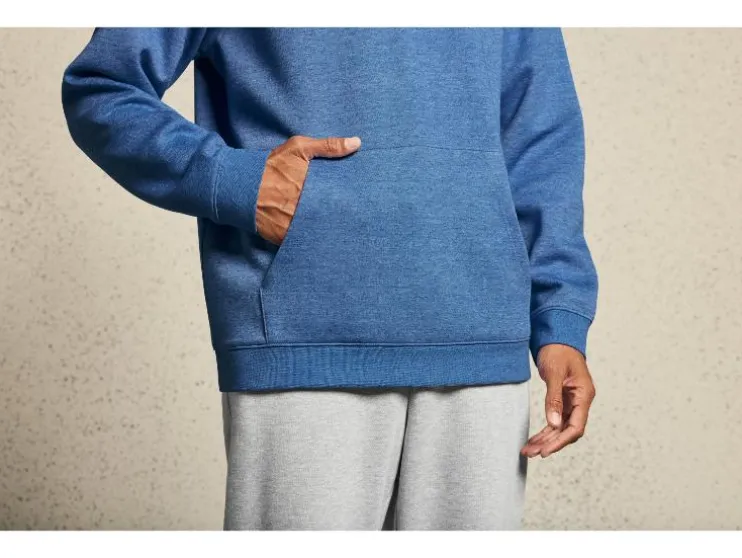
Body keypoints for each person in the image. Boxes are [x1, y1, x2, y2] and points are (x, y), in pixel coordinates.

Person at [61, 27, 598, 530]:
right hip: (306, 337)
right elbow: (102, 87)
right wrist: (238, 181)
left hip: (484, 342)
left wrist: (560, 319)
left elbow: (541, 135)